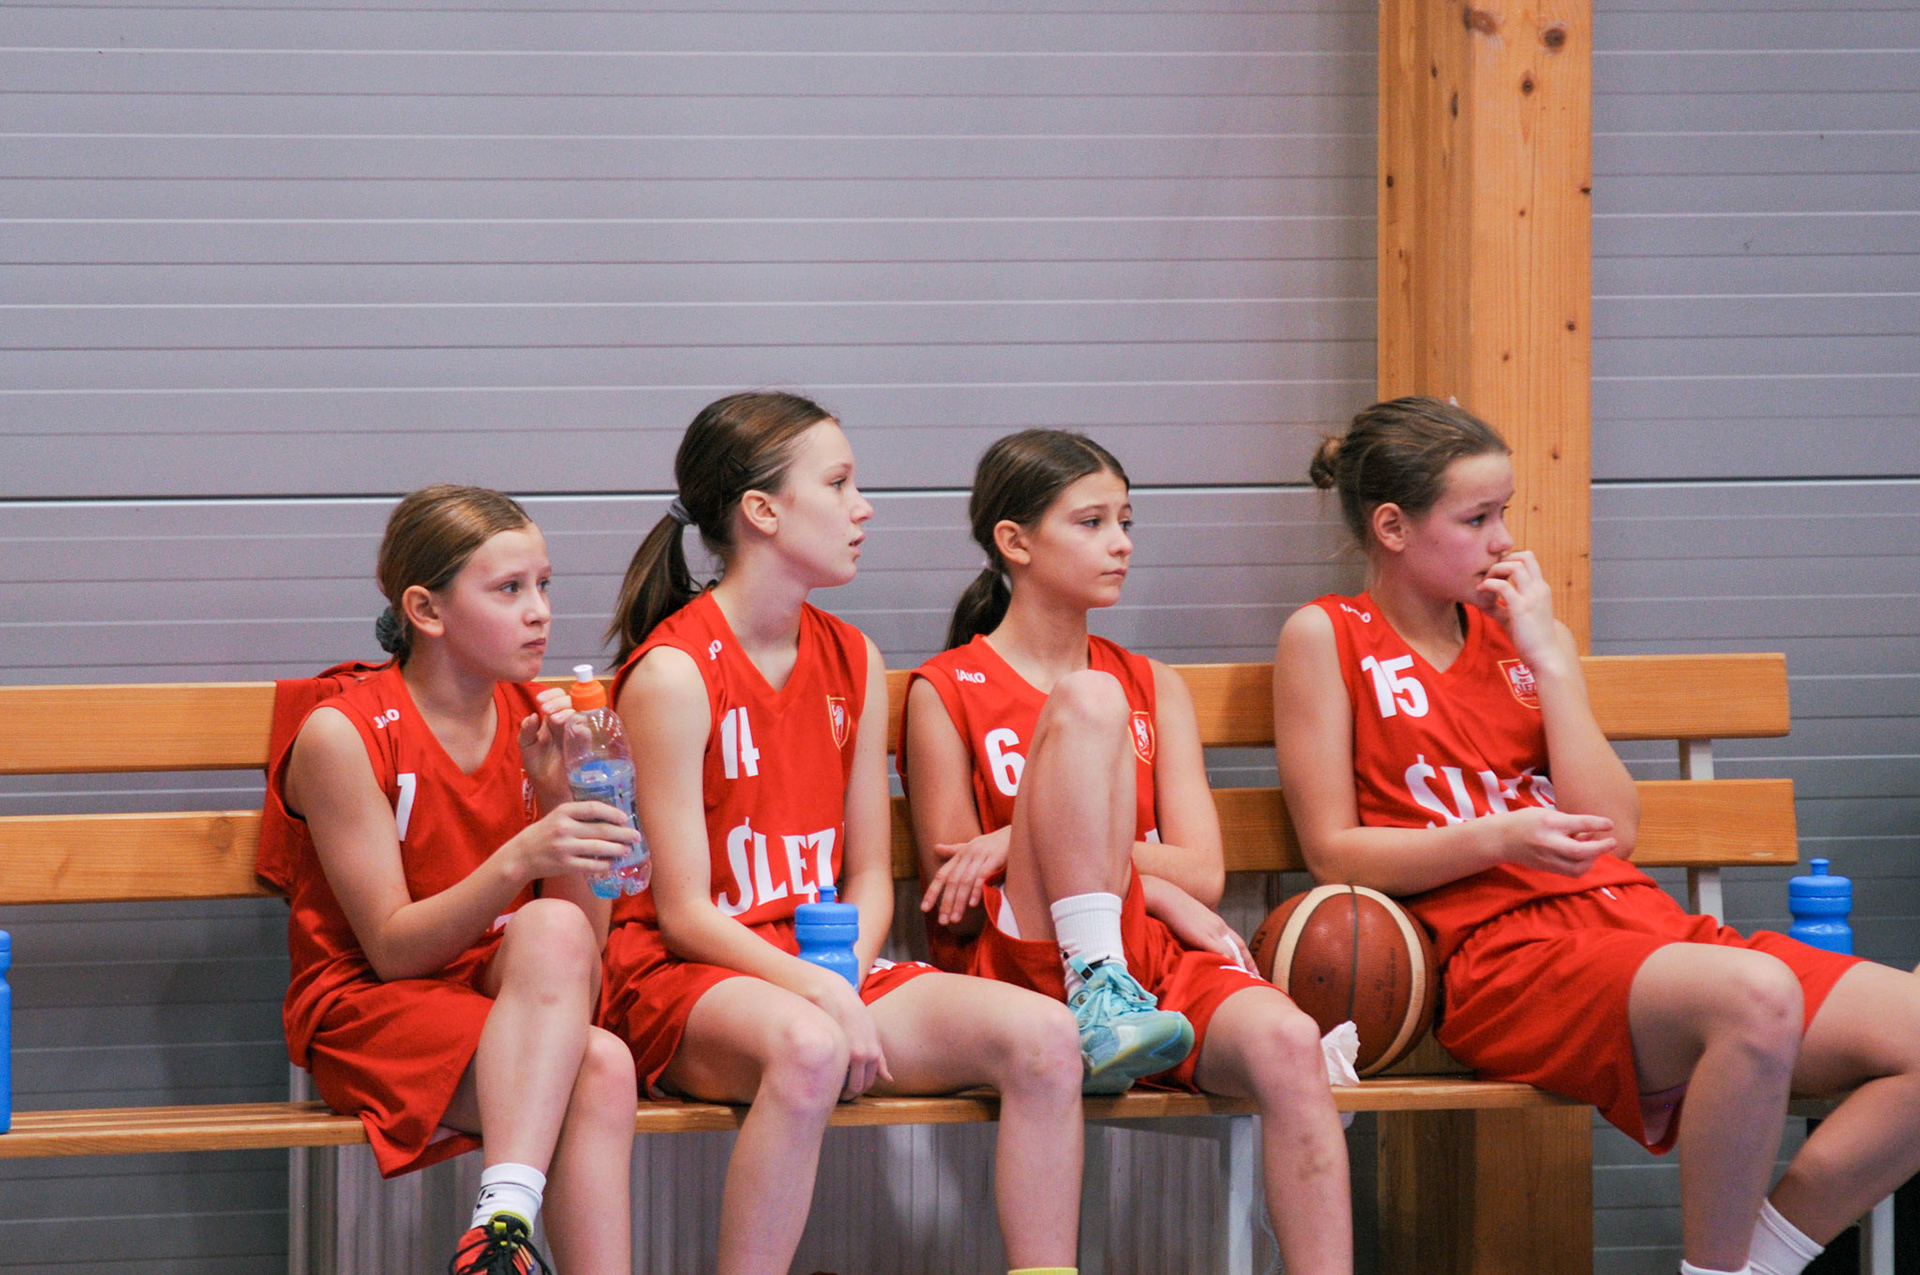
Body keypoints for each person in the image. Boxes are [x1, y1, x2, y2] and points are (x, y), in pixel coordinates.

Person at [1273, 396, 1920, 1275]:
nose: (1505, 540)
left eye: (1505, 512)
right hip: (1500, 955)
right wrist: (1498, 839)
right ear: (1392, 527)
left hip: (1629, 923)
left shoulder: (1519, 640)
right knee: (1756, 993)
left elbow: (1615, 828)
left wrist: (1550, 657)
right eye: (1476, 518)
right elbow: (1333, 852)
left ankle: (1752, 1266)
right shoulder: (1328, 635)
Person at [596, 392, 1085, 1275]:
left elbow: (866, 876)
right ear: (763, 511)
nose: (864, 508)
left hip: (828, 966)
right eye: (839, 483)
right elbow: (683, 914)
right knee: (810, 1047)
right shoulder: (673, 673)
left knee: (1047, 1037)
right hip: (687, 975)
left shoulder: (855, 656)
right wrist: (822, 995)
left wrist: (843, 975)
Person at [899, 428, 1353, 1275]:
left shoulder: (1155, 683)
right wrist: (1063, 846)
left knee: (1291, 1043)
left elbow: (1202, 869)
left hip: (1148, 953)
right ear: (1015, 541)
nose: (1122, 543)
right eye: (1092, 522)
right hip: (1020, 964)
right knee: (1089, 700)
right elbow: (953, 893)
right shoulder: (947, 688)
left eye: (1127, 521)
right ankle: (1093, 986)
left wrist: (1013, 836)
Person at [269, 485, 638, 1275]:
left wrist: (562, 800)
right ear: (425, 610)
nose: (539, 611)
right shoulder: (343, 732)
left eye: (544, 584)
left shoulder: (542, 721)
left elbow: (583, 946)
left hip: (505, 990)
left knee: (558, 935)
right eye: (509, 589)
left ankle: (500, 1225)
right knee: (600, 1066)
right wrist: (520, 857)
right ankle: (504, 1225)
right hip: (371, 1002)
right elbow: (393, 950)